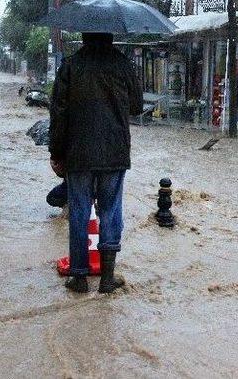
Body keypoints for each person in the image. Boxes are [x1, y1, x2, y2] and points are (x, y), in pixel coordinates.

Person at [49, 33, 143, 293]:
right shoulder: (123, 65)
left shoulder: (70, 65)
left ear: (83, 35)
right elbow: (136, 106)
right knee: (110, 211)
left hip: (78, 154)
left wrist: (56, 152)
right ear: (112, 36)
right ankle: (107, 278)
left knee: (79, 211)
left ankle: (79, 277)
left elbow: (58, 113)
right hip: (114, 152)